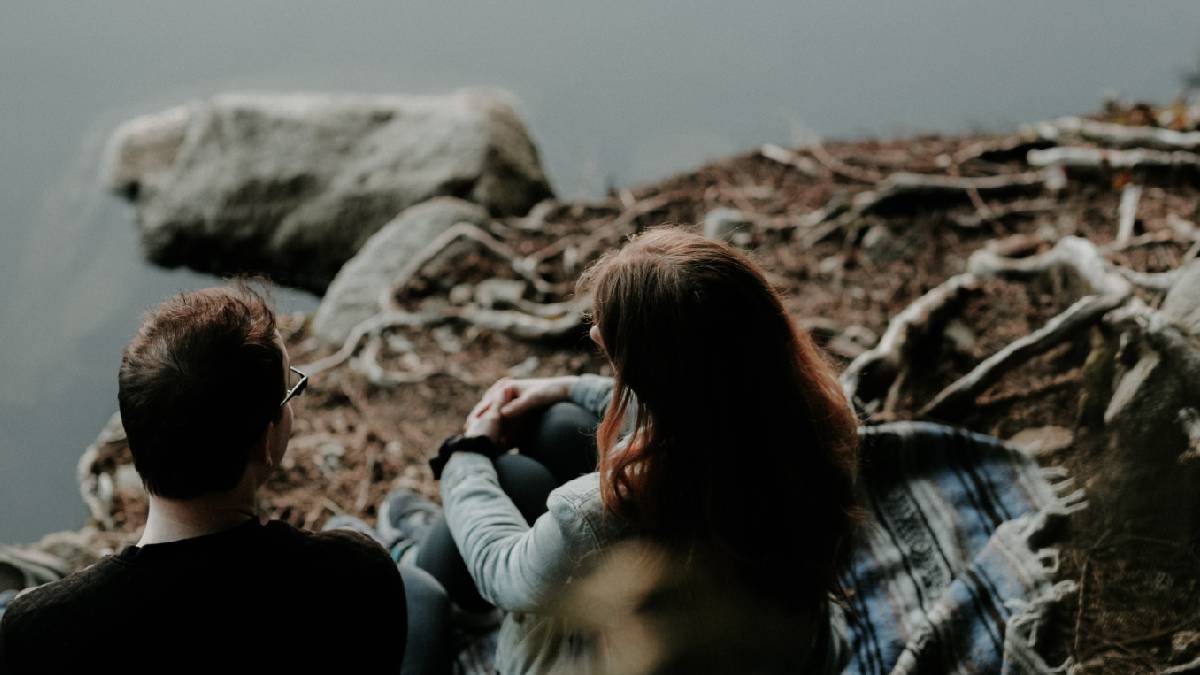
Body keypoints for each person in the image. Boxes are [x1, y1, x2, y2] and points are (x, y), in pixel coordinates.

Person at [409, 227, 861, 673]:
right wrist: (565, 388)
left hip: (630, 657)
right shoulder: (813, 428)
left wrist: (465, 454)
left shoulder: (599, 512)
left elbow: (502, 570)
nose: (596, 334)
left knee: (442, 560)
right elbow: (710, 404)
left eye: (610, 335)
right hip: (784, 654)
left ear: (653, 370)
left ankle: (415, 560)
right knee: (561, 425)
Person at [0, 284, 419, 674]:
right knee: (419, 587)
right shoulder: (355, 579)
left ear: (135, 431)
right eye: (290, 391)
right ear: (265, 440)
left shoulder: (36, 632)